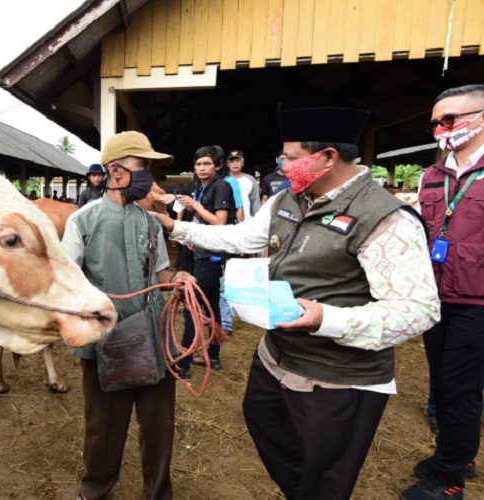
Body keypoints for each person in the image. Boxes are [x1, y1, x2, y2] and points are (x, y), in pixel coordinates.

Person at [152, 107, 440, 499]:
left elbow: (419, 309)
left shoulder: (386, 219)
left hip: (336, 376)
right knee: (264, 424)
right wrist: (175, 226)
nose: (282, 166)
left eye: (290, 157)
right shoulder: (288, 200)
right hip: (278, 356)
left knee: (325, 470)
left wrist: (327, 318)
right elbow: (241, 239)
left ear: (327, 157)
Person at [62, 131, 194, 500]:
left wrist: (177, 280)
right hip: (106, 341)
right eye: (143, 166)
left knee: (159, 426)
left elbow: (161, 274)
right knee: (102, 428)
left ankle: (158, 493)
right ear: (116, 171)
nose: (149, 176)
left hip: (154, 336)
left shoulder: (151, 221)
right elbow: (68, 282)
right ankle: (95, 489)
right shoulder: (83, 220)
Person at [403, 84, 484, 500]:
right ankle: (457, 454)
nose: (440, 127)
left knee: (459, 388)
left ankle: (449, 478)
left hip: (477, 301)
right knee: (442, 384)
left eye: (449, 119)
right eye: (435, 121)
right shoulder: (432, 176)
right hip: (436, 295)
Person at [174, 145, 236, 377]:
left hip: (212, 258)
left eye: (207, 164)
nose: (201, 168)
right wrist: (195, 236)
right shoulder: (203, 186)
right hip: (203, 252)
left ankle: (183, 364)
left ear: (218, 166)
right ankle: (213, 356)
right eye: (198, 164)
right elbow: (205, 222)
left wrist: (195, 206)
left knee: (192, 309)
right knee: (211, 307)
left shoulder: (221, 186)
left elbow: (220, 222)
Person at [227, 150, 261, 216]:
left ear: (242, 163)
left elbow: (255, 201)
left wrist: (257, 219)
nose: (235, 164)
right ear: (228, 164)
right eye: (232, 161)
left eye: (238, 161)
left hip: (247, 221)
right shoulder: (223, 180)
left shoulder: (250, 179)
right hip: (227, 222)